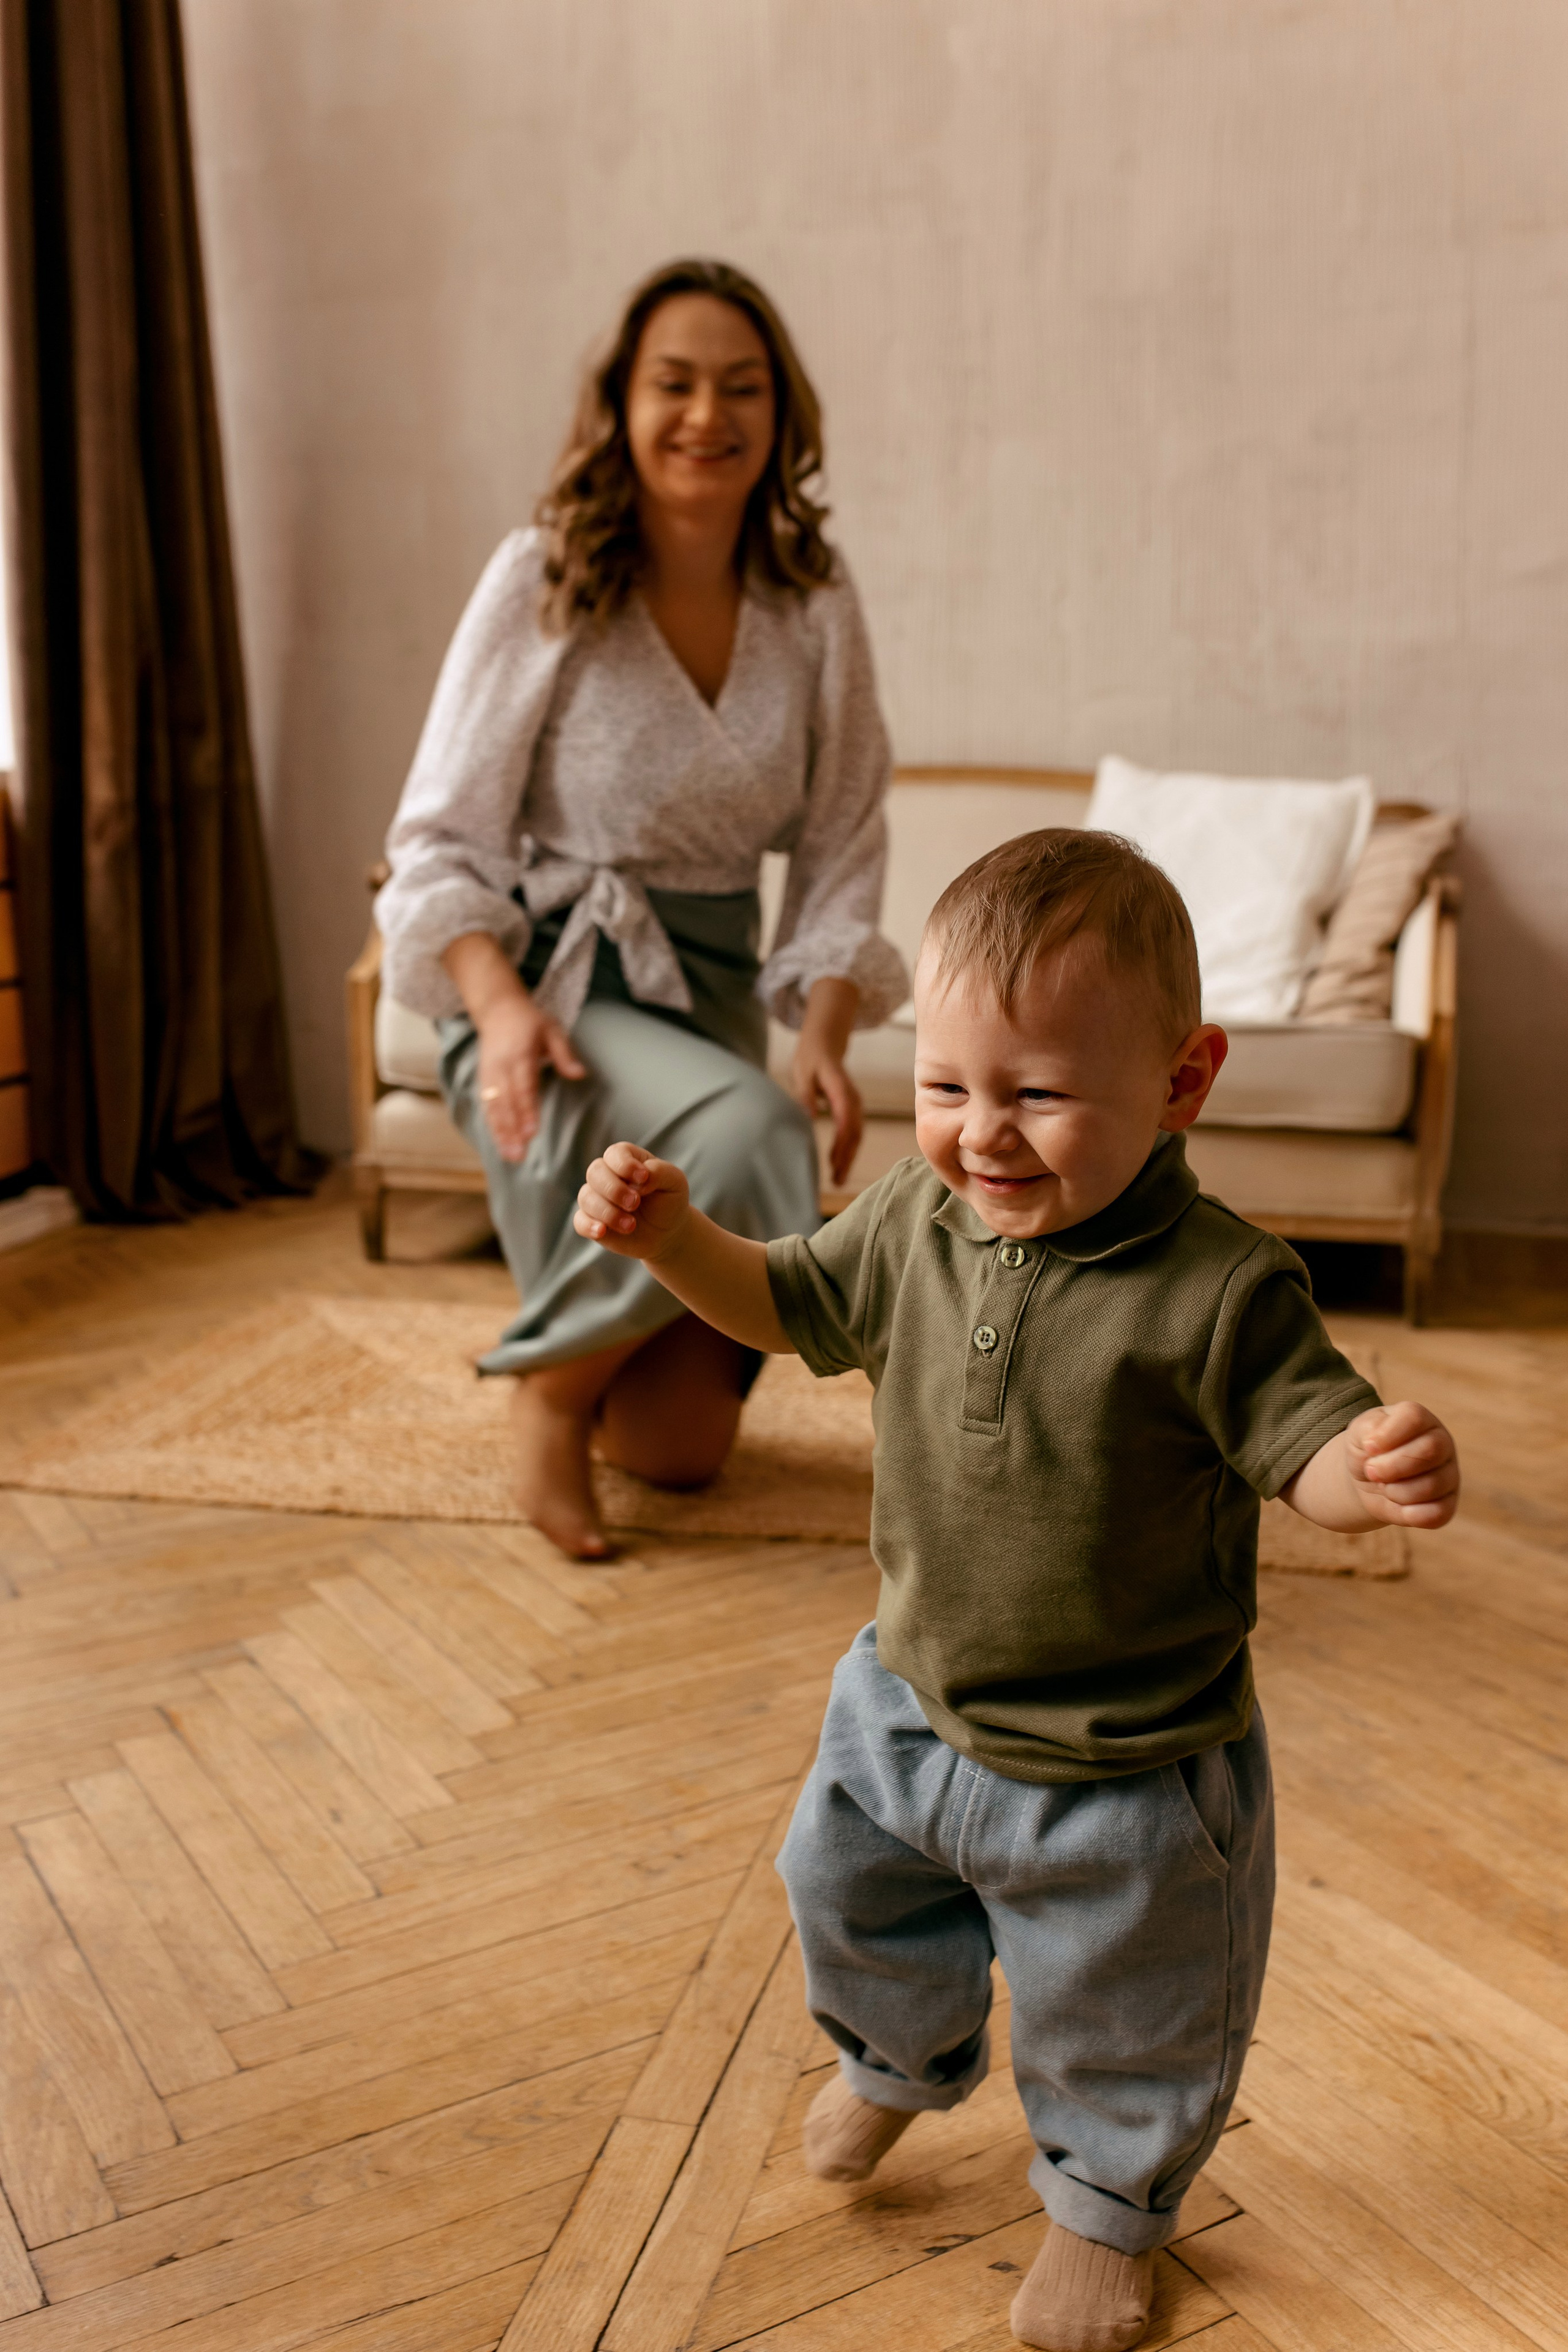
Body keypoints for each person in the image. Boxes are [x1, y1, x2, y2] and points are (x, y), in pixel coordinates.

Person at [571, 828, 1461, 2352]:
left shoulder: (1223, 1286)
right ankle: (897, 2065)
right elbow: (780, 1306)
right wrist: (673, 1243)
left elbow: (1298, 1440)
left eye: (1036, 1094)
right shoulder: (911, 1226)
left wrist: (1360, 1475)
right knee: (844, 1902)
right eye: (945, 1088)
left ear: (1181, 1082)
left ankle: (1105, 2217)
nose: (981, 1134)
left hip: (1127, 1768)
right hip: (904, 1705)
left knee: (1127, 2014)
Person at [375, 260, 907, 1559]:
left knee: (677, 1455)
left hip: (708, 998)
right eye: (672, 383)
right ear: (619, 403)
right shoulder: (544, 573)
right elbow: (439, 834)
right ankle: (549, 1393)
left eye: (740, 386)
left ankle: (592, 1359)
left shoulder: (812, 597)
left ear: (780, 415)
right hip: (548, 1004)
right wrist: (494, 1014)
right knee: (752, 1132)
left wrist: (825, 1030)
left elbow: (844, 840)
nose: (704, 415)